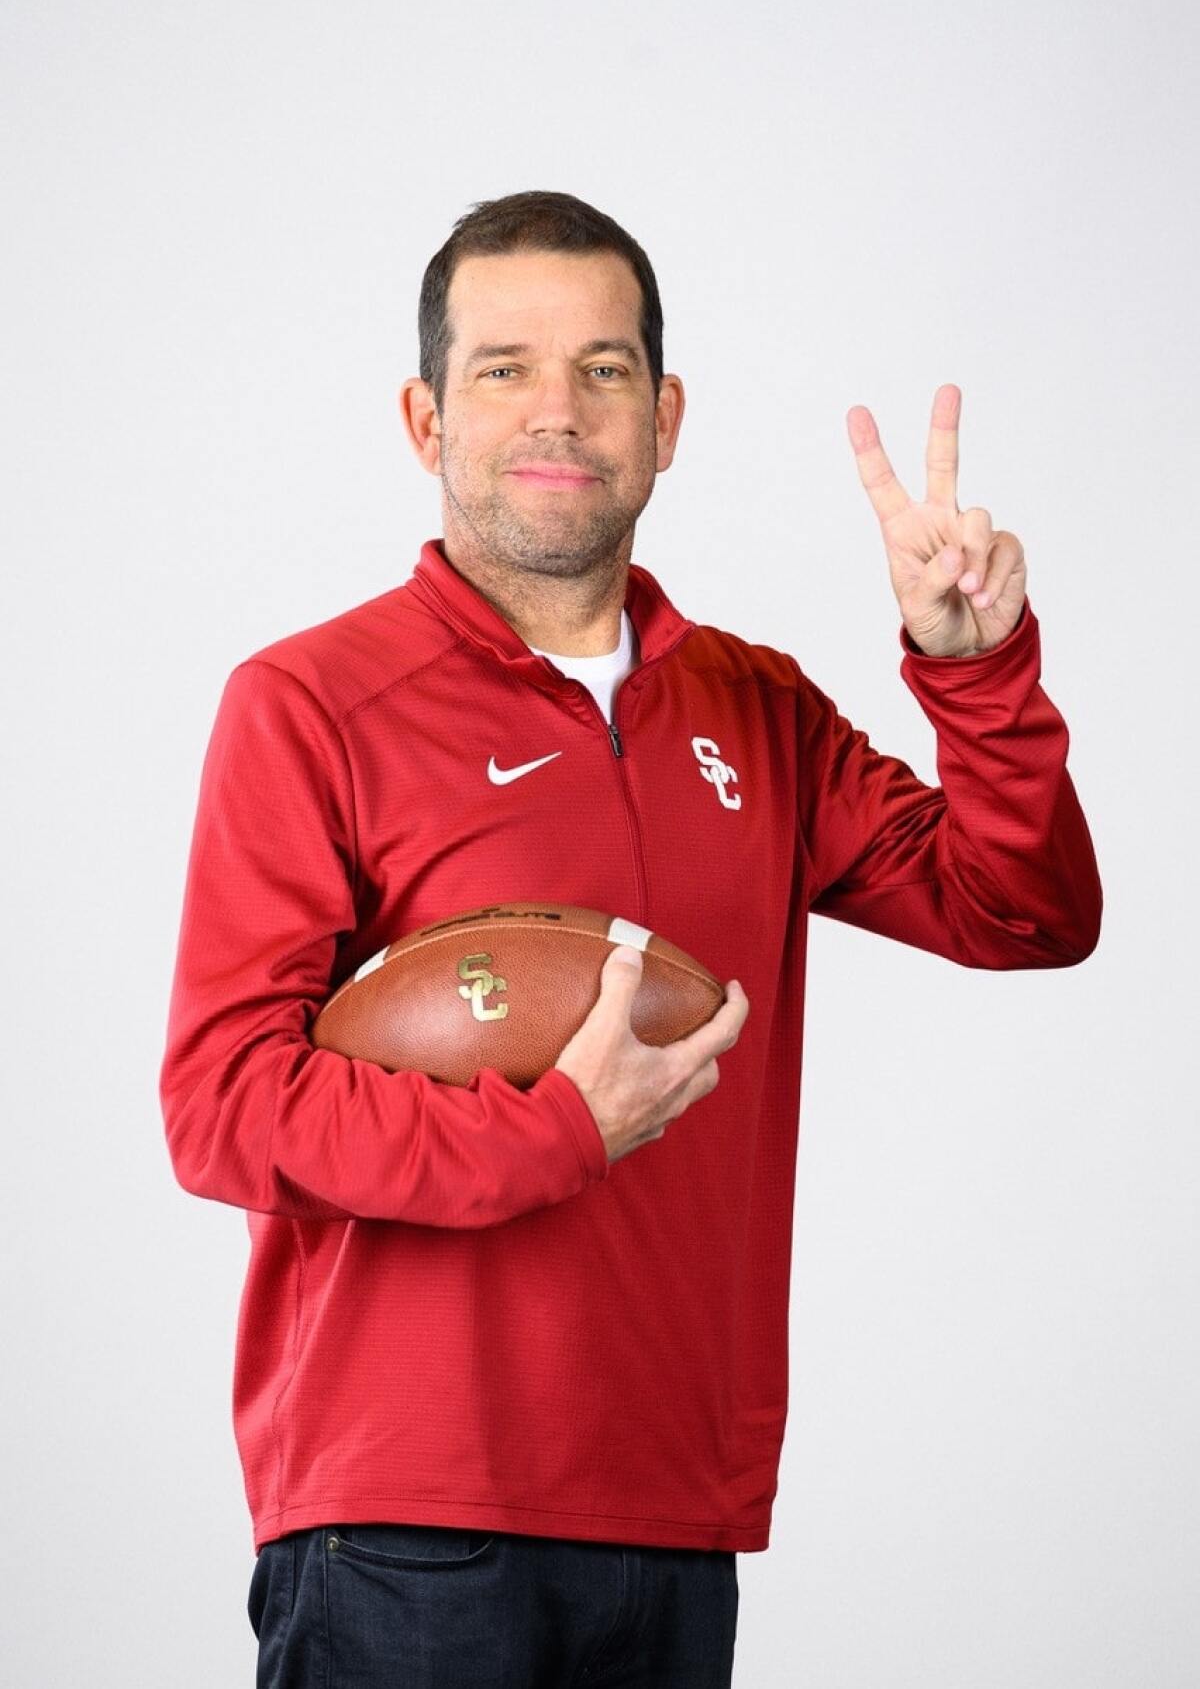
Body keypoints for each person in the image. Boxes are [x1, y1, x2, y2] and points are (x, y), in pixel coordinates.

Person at [158, 189, 1103, 1688]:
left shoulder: (758, 710)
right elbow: (217, 1111)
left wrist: (973, 672)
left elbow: (1027, 911)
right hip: (402, 1522)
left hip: (674, 1514)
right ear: (424, 417)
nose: (558, 411)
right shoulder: (310, 702)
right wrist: (556, 1133)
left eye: (604, 371)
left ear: (665, 419)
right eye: (503, 368)